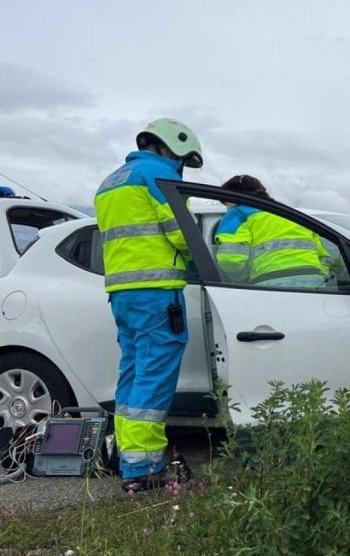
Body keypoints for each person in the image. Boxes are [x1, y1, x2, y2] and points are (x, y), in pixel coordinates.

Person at [94, 118, 203, 491]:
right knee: (154, 377)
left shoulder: (110, 182)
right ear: (169, 147)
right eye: (183, 159)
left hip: (122, 293)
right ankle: (145, 469)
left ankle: (129, 458)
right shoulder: (157, 176)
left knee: (133, 373)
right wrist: (202, 259)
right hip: (158, 293)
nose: (180, 167)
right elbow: (181, 233)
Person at [215, 175, 330, 287]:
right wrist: (320, 277)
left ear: (233, 197)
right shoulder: (291, 215)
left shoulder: (238, 214)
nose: (227, 207)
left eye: (226, 202)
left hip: (271, 282)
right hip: (314, 280)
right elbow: (324, 258)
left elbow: (230, 259)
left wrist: (240, 280)